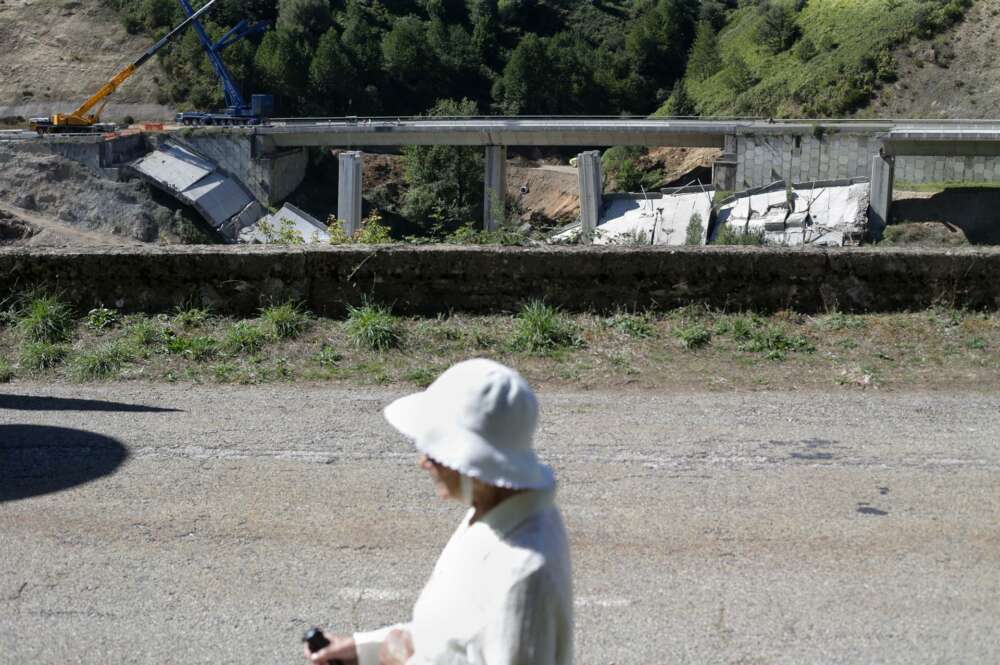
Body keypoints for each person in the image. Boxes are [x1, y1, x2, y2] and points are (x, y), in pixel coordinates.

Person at [304, 358, 573, 665]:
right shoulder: (494, 512)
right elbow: (452, 630)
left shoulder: (522, 574)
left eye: (435, 450)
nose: (423, 461)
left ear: (473, 464)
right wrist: (365, 649)